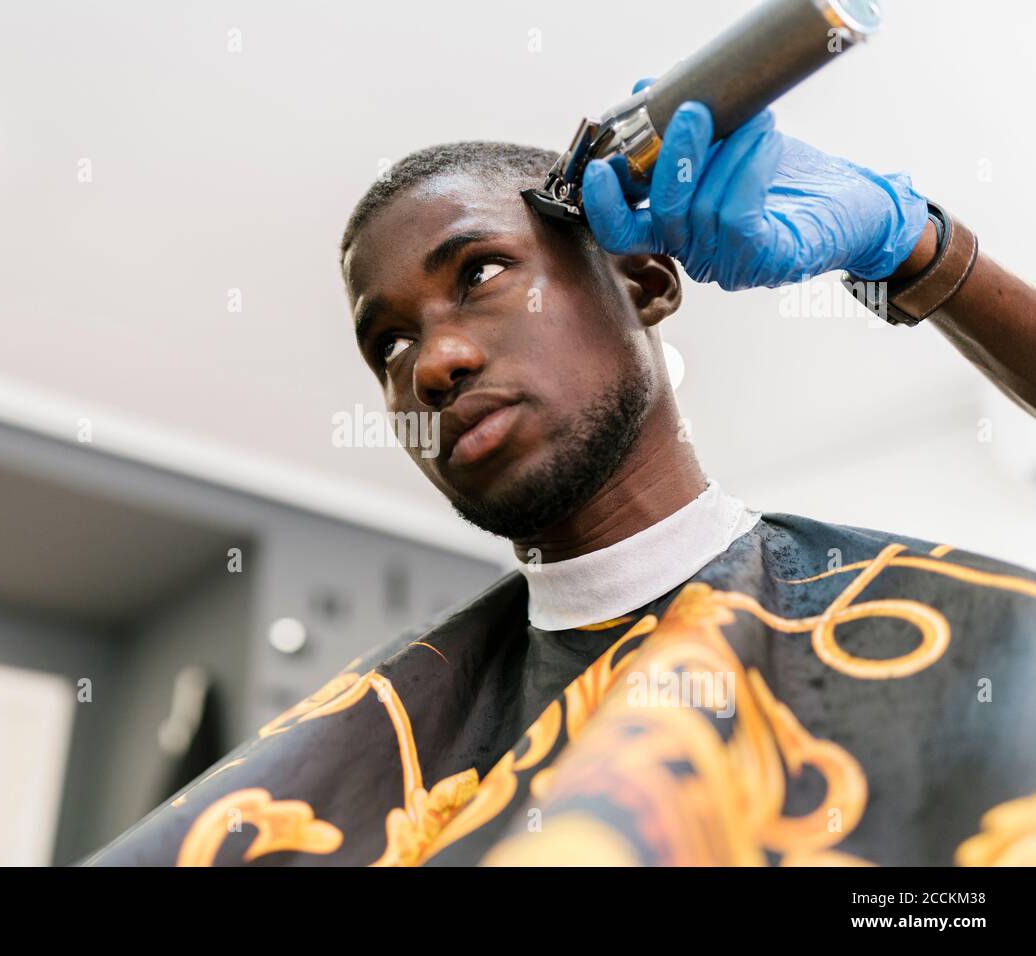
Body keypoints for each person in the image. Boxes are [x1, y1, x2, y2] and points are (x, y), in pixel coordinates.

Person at [85, 95, 1036, 867]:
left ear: (647, 283)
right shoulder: (367, 749)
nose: (433, 363)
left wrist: (921, 251)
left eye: (483, 270)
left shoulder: (954, 633)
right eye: (388, 342)